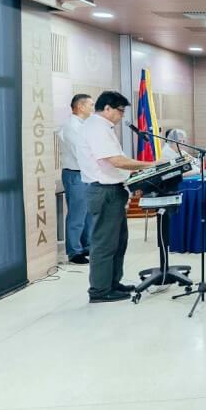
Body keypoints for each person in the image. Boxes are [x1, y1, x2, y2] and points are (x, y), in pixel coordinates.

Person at [75, 91, 158, 303]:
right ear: (107, 108)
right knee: (105, 243)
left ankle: (113, 283)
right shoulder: (96, 128)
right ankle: (100, 291)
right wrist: (151, 165)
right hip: (104, 191)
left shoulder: (103, 128)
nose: (122, 115)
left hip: (113, 189)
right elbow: (116, 161)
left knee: (119, 241)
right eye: (120, 110)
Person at [58, 93, 95, 265]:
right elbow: (80, 152)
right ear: (80, 106)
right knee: (77, 214)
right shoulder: (71, 126)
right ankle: (74, 252)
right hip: (76, 174)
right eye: (90, 105)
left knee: (88, 212)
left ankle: (86, 245)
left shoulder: (84, 124)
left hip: (86, 173)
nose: (92, 108)